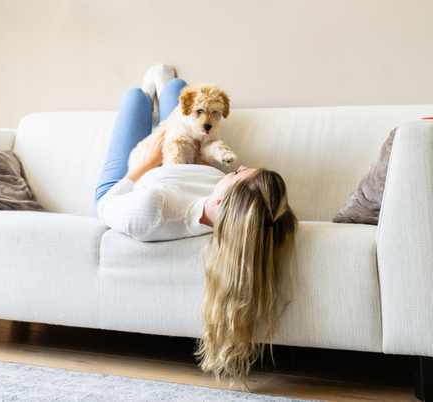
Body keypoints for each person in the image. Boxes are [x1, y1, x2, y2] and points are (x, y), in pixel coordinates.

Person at [94, 63, 298, 382]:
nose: (241, 167)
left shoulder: (156, 208)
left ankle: (152, 92)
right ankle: (167, 91)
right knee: (179, 89)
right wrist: (204, 164)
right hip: (183, 163)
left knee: (134, 98)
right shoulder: (227, 207)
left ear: (223, 200)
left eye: (242, 175)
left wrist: (149, 160)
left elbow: (107, 206)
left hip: (127, 184)